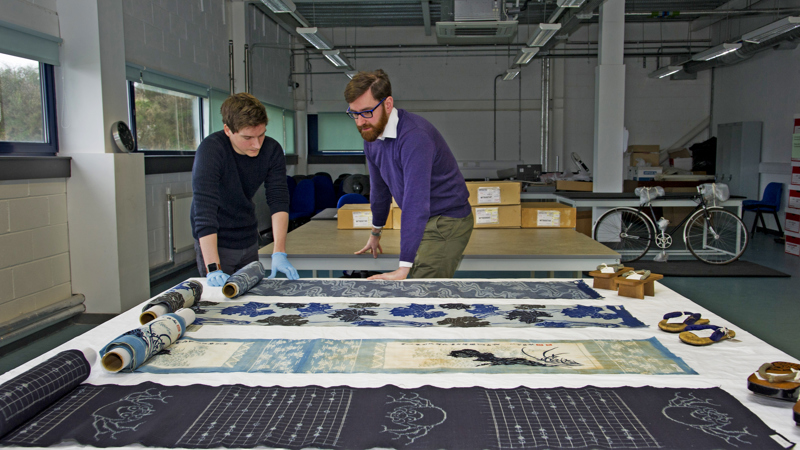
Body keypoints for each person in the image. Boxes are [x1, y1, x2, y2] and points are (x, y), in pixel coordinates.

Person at [345, 69, 473, 280]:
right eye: (354, 113)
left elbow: (416, 201)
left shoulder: (415, 137)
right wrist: (376, 232)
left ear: (387, 104)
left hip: (447, 219)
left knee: (420, 290)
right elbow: (379, 190)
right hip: (423, 215)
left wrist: (403, 268)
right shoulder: (372, 136)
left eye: (367, 112)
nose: (360, 122)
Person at [191, 92, 299, 286]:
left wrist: (279, 251)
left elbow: (278, 200)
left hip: (248, 235)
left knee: (251, 294)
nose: (256, 144)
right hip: (216, 239)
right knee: (220, 302)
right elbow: (204, 211)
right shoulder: (211, 151)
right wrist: (213, 268)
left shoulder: (271, 150)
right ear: (227, 130)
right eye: (247, 137)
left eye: (261, 135)